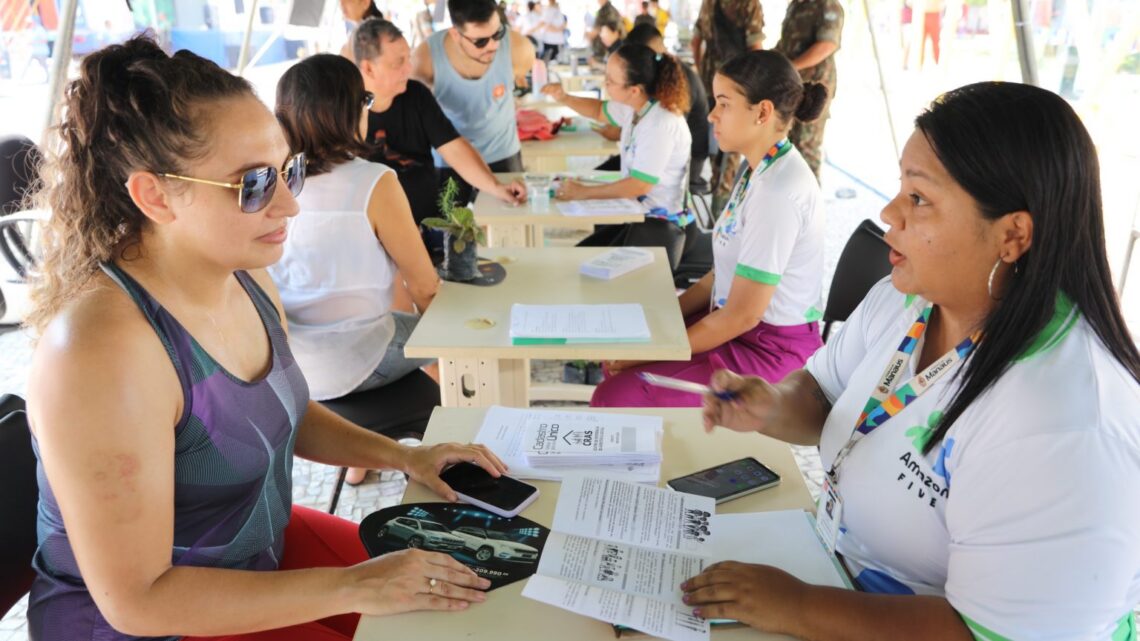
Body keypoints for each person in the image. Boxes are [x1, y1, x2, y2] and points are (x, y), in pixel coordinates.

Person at [24, 36, 506, 641]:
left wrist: (405, 455)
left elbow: (285, 412)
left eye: (288, 171)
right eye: (253, 183)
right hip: (157, 623)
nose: (288, 205)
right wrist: (360, 585)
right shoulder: (100, 351)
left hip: (256, 555)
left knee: (471, 594)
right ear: (154, 195)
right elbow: (138, 600)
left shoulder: (246, 276)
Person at [688, 82, 1140, 639]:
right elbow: (822, 393)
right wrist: (771, 405)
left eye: (919, 199)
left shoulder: (1063, 420)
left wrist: (799, 606)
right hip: (837, 577)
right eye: (901, 186)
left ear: (1012, 234)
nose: (889, 212)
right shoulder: (910, 300)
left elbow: (991, 633)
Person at [590, 50, 826, 407]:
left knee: (616, 394)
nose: (712, 115)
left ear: (762, 112)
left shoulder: (779, 192)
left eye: (724, 104)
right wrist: (664, 319)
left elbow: (744, 315)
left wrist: (655, 348)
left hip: (768, 350)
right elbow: (720, 276)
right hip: (737, 324)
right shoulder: (757, 170)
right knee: (624, 353)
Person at [270, 53, 444, 487]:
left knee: (399, 323)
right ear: (349, 111)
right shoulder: (373, 181)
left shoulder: (271, 185)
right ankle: (464, 445)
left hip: (295, 372)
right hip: (361, 359)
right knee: (462, 344)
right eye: (364, 99)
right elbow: (424, 286)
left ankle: (360, 457)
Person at [353, 18, 525, 252]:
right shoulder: (345, 110)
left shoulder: (416, 95)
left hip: (429, 226)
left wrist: (495, 187)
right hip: (373, 236)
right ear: (368, 68)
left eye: (409, 58)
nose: (408, 68)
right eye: (398, 62)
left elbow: (453, 147)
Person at [541, 43, 693, 269]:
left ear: (634, 89)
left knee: (584, 268)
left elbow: (639, 185)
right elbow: (598, 110)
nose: (605, 84)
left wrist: (584, 193)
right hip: (636, 215)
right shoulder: (638, 106)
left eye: (611, 81)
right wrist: (563, 97)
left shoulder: (660, 122)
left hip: (658, 226)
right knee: (577, 261)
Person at [412, 0, 536, 207]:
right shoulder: (424, 59)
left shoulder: (519, 48)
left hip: (503, 153)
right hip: (451, 160)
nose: (493, 46)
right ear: (455, 34)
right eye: (480, 41)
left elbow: (518, 81)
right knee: (453, 233)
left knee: (508, 231)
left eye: (498, 34)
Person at [691, 0, 764, 210]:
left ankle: (718, 200)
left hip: (712, 83)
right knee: (733, 148)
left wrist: (704, 71)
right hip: (737, 86)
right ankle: (724, 208)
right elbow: (755, 49)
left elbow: (695, 42)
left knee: (719, 141)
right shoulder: (748, 4)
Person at [625, 23, 709, 188]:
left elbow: (663, 128)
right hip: (667, 150)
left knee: (629, 180)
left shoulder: (678, 78)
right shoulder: (662, 71)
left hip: (689, 161)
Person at [774, 0, 844, 180]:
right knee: (787, 147)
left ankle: (810, 205)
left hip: (813, 90)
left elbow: (827, 45)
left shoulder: (827, 5)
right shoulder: (796, 5)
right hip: (791, 86)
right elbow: (787, 43)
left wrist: (790, 66)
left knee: (806, 151)